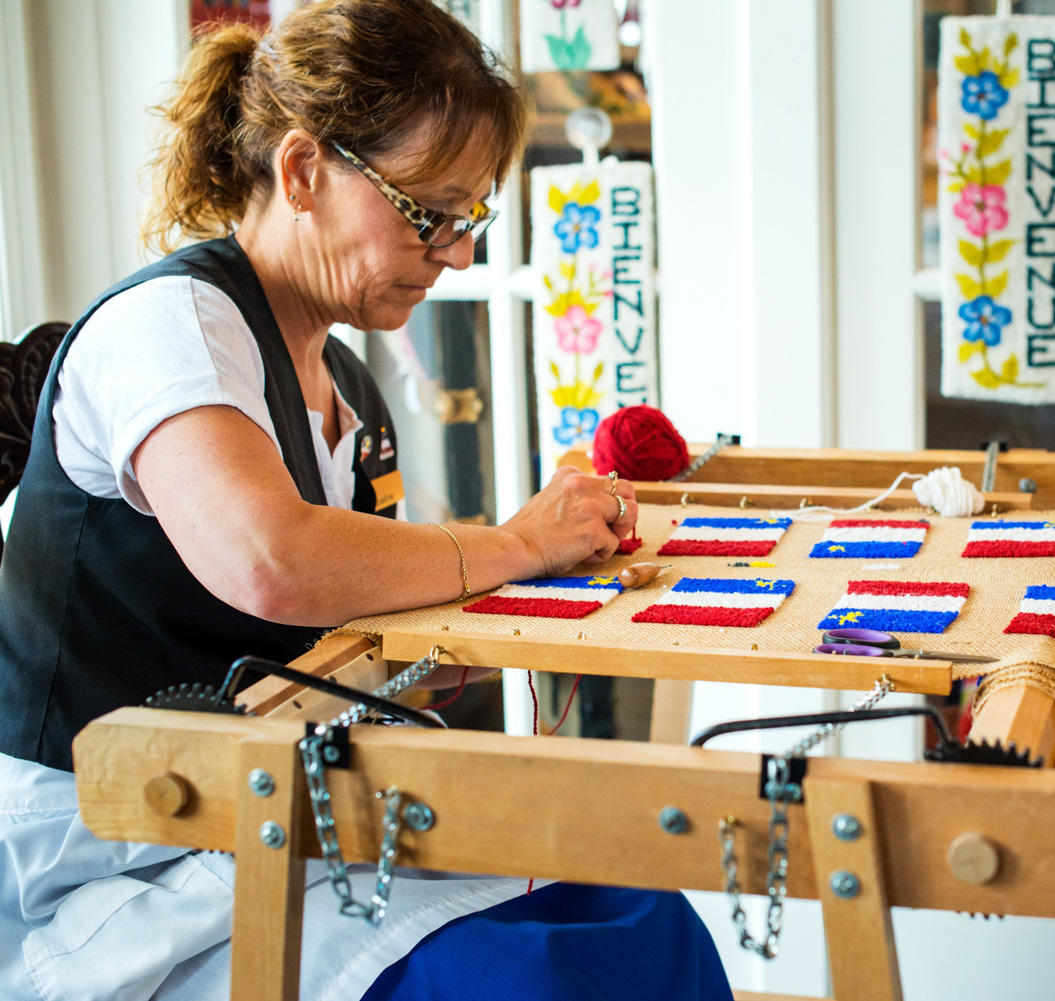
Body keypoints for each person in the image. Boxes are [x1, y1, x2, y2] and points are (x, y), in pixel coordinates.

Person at [0, 2, 731, 998]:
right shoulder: (166, 329)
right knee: (540, 978)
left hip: (273, 804)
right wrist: (516, 544)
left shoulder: (346, 386)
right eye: (430, 211)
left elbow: (346, 619)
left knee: (645, 916)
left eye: (471, 221)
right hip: (118, 850)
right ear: (302, 170)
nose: (460, 254)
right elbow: (269, 558)